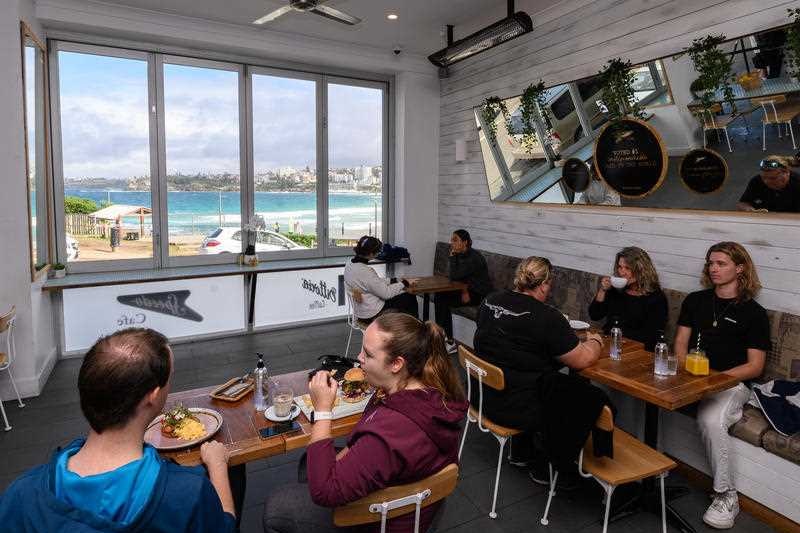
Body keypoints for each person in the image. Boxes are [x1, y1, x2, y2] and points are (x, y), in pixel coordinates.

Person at [0, 328, 236, 532]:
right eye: (170, 378)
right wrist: (217, 466)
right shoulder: (188, 495)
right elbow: (224, 526)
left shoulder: (19, 496)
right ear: (152, 397)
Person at [263, 314, 468, 533]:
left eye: (368, 355)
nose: (359, 357)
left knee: (277, 508)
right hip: (419, 506)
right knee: (309, 463)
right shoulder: (431, 390)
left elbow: (324, 491)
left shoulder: (391, 432)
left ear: (397, 364)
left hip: (385, 521)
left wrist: (322, 411)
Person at [473, 257, 609, 485]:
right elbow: (581, 360)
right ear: (545, 284)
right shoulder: (547, 317)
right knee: (585, 396)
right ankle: (548, 466)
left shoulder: (490, 300)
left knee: (541, 377)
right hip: (516, 408)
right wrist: (595, 341)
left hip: (482, 395)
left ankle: (521, 451)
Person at [674, 242, 770, 529]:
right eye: (710, 263)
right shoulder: (695, 300)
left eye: (721, 264)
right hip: (691, 376)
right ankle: (645, 467)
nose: (713, 269)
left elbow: (755, 366)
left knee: (710, 419)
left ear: (739, 268)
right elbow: (680, 344)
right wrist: (685, 372)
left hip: (731, 384)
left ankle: (726, 495)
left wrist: (715, 381)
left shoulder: (754, 313)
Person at [588, 247, 668, 350]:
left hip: (635, 349)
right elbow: (594, 315)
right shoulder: (616, 290)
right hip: (609, 343)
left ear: (641, 270)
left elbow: (652, 336)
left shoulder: (656, 298)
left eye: (627, 268)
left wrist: (618, 339)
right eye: (620, 267)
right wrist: (602, 290)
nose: (622, 272)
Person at [435, 229, 492, 351]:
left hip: (479, 295)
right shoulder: (461, 254)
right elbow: (456, 277)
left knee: (442, 299)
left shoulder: (474, 258)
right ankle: (442, 336)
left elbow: (455, 276)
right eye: (451, 240)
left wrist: (452, 256)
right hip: (466, 290)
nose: (451, 243)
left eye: (455, 240)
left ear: (465, 242)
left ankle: (448, 341)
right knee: (439, 295)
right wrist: (464, 290)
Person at [343, 235, 418, 320]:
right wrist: (405, 283)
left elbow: (374, 282)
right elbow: (386, 293)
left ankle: (405, 328)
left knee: (402, 295)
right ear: (371, 254)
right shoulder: (365, 271)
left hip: (360, 312)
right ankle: (413, 330)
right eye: (377, 252)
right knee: (409, 297)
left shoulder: (349, 264)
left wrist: (394, 280)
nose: (378, 254)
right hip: (372, 314)